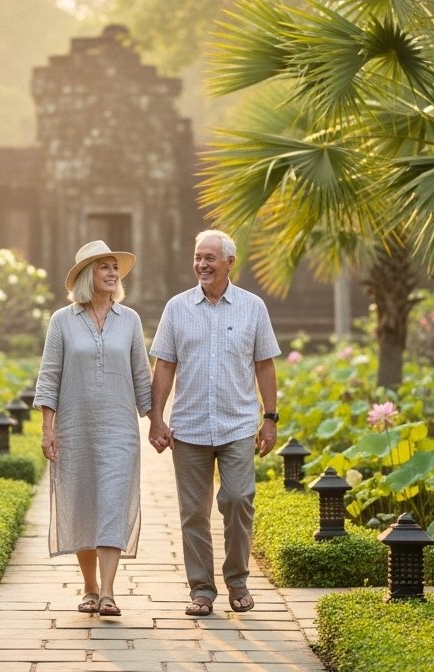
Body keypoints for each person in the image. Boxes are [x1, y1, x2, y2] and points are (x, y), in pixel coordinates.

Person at [147, 229, 281, 617]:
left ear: (229, 262)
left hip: (237, 425)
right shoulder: (177, 308)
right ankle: (201, 590)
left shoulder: (253, 307)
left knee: (238, 499)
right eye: (197, 257)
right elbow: (165, 365)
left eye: (209, 258)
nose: (202, 264)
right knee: (193, 512)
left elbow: (264, 364)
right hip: (188, 427)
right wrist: (157, 419)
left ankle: (237, 581)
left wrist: (269, 419)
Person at [33, 240, 153, 618]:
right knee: (83, 503)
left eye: (114, 268)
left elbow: (141, 376)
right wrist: (47, 429)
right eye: (104, 267)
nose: (113, 273)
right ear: (88, 275)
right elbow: (49, 375)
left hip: (120, 429)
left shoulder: (130, 319)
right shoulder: (62, 321)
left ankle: (109, 593)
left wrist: (159, 422)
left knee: (113, 503)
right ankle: (88, 587)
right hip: (75, 428)